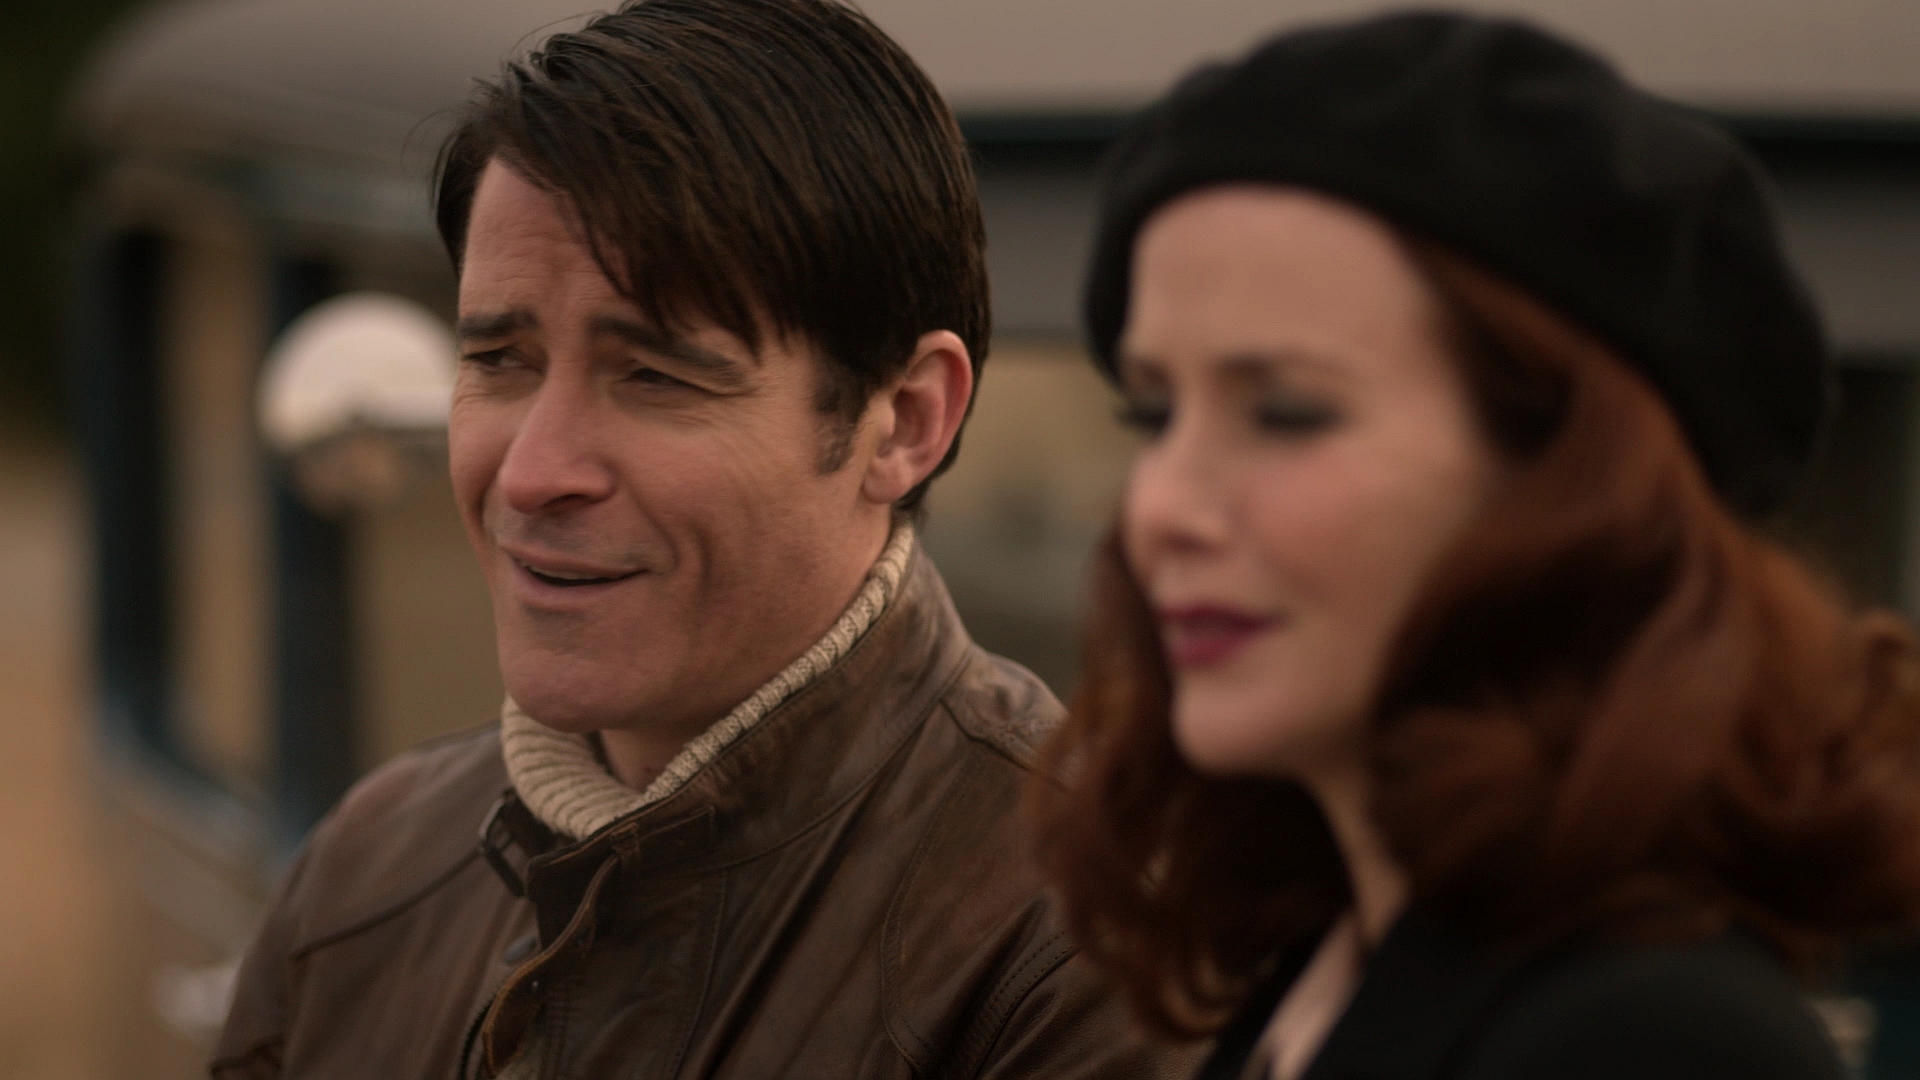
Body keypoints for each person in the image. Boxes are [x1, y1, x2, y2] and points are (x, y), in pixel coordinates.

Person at [212, 1, 1183, 1077]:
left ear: (905, 421)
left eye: (654, 377)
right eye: (498, 360)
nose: (532, 472)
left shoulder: (1093, 943)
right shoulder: (366, 873)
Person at [1031, 12, 1920, 1080]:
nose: (1161, 506)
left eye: (1287, 412)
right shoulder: (1326, 963)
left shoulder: (1649, 1040)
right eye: (1155, 414)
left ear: (1573, 482)